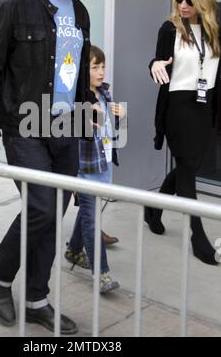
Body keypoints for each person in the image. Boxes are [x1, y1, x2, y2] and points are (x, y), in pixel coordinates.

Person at [0, 0, 96, 334]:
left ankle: (36, 299)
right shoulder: (15, 5)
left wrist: (86, 117)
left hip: (66, 127)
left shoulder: (79, 12)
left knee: (51, 214)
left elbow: (77, 74)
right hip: (24, 126)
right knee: (42, 208)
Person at [145, 0, 221, 265]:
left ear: (203, 3)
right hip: (177, 107)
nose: (183, 5)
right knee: (188, 170)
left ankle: (153, 209)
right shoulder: (169, 29)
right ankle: (197, 236)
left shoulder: (214, 31)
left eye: (190, 0)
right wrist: (154, 65)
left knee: (187, 166)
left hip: (204, 106)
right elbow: (156, 62)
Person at [65, 45, 123, 293]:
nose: (101, 72)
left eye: (103, 66)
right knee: (92, 219)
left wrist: (117, 115)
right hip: (85, 169)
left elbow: (110, 129)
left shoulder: (105, 93)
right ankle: (102, 274)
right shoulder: (76, 101)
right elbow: (71, 139)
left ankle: (74, 250)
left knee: (89, 214)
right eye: (95, 67)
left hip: (103, 163)